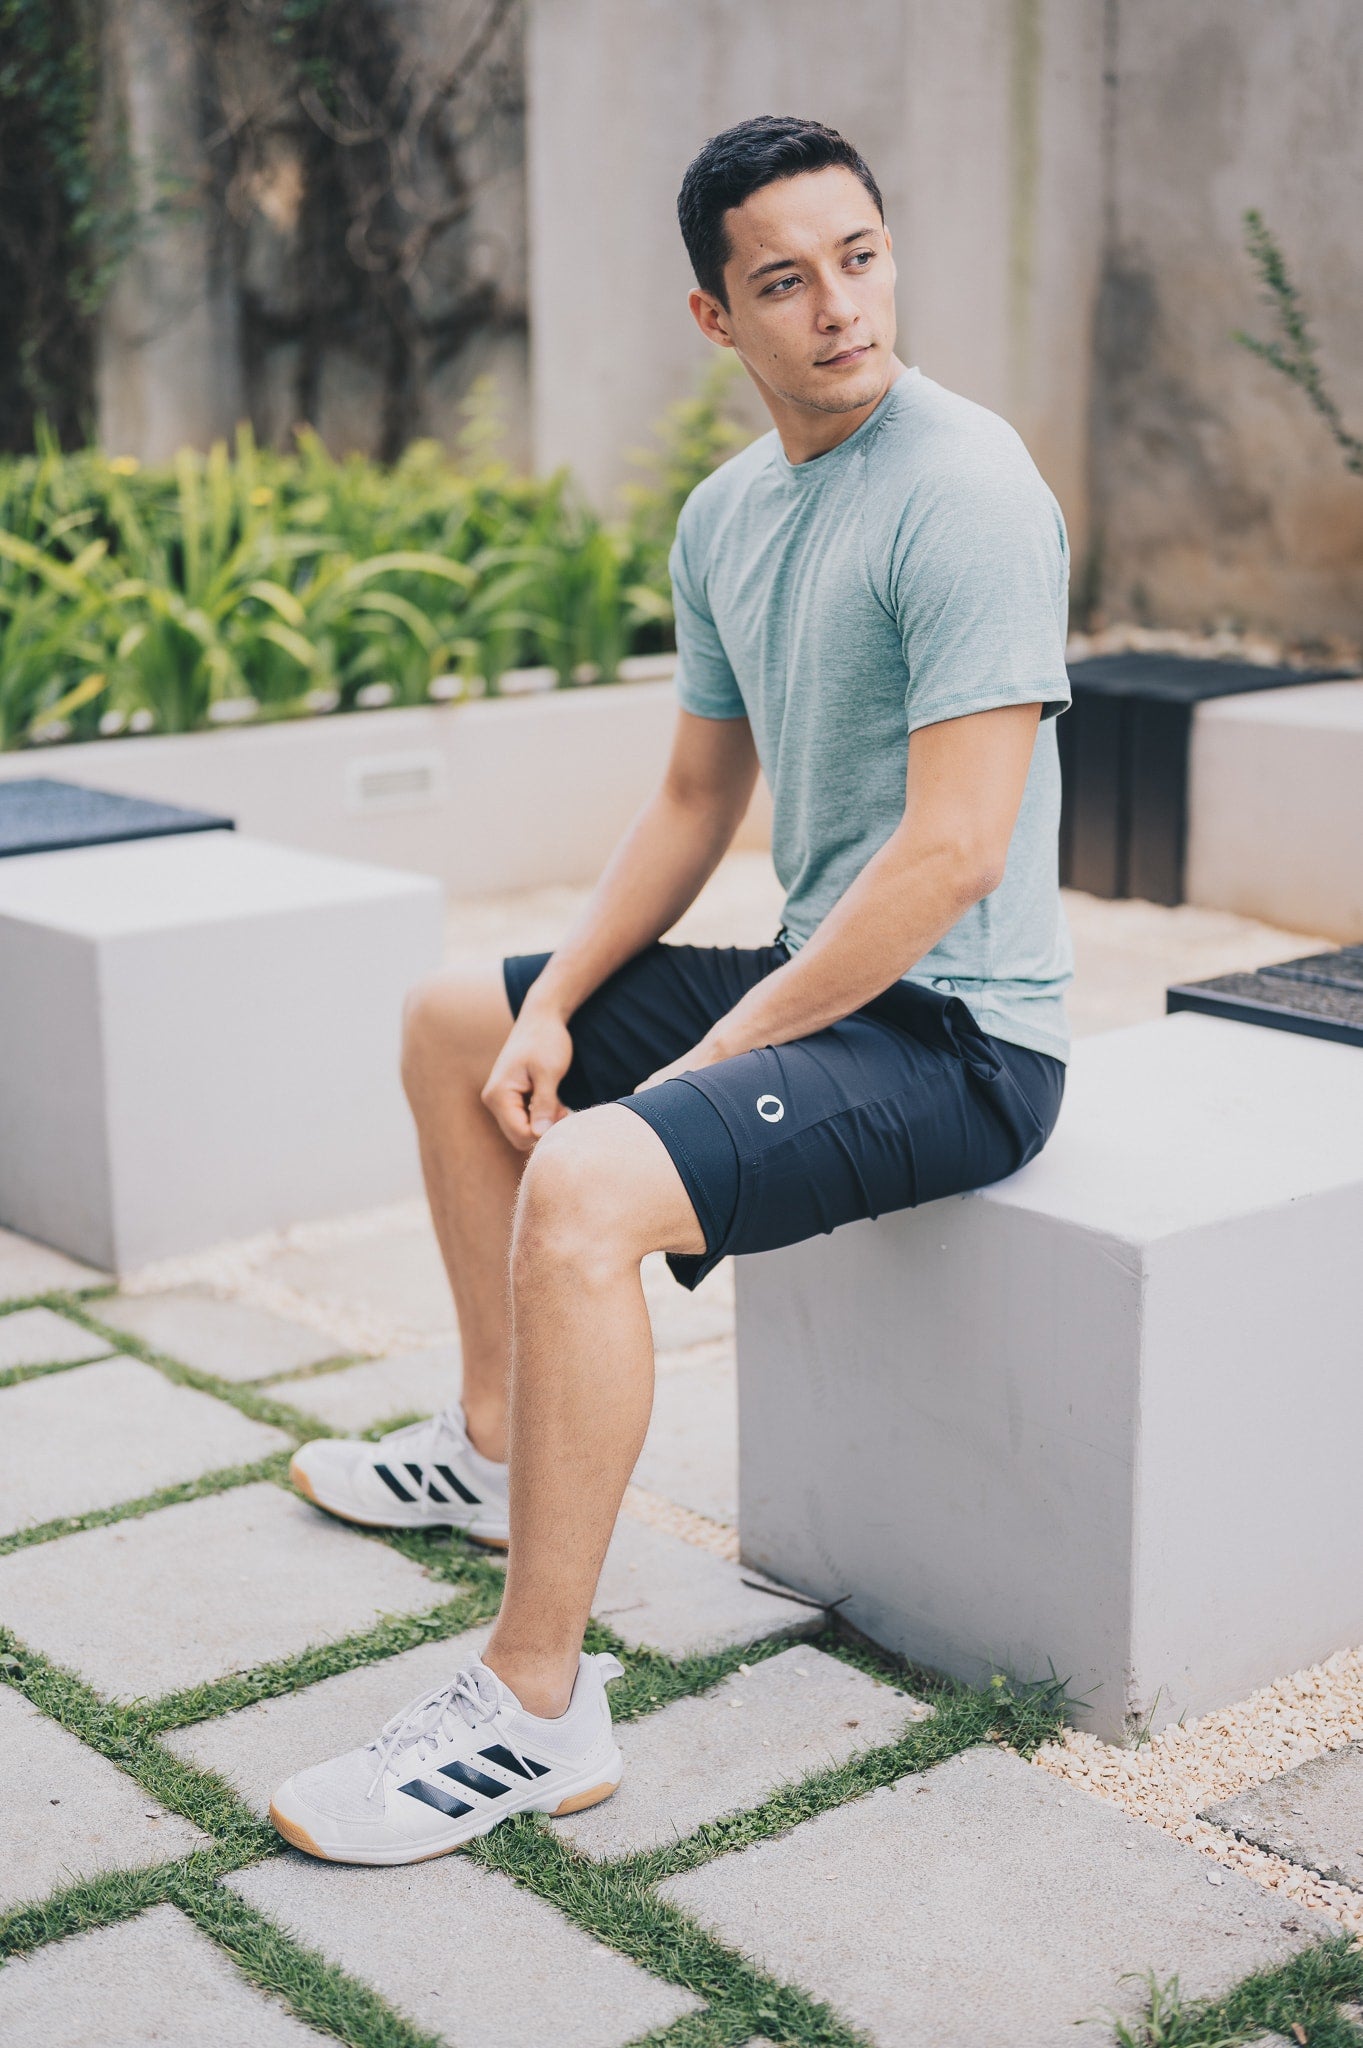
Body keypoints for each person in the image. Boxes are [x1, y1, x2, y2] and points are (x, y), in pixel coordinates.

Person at [270, 113, 1074, 1865]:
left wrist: (717, 1050)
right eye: (784, 281)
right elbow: (699, 798)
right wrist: (556, 999)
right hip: (822, 975)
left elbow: (954, 854)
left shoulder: (970, 489)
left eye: (859, 258)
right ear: (718, 317)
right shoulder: (729, 516)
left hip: (961, 1034)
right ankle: (499, 1448)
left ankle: (535, 1706)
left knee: (585, 1184)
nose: (838, 307)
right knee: (455, 1021)